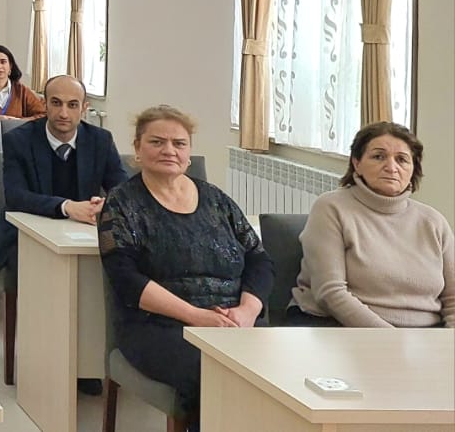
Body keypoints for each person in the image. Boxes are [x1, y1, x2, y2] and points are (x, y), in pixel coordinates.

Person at [99, 105, 271, 419]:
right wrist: (197, 316)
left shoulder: (216, 199)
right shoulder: (121, 202)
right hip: (159, 327)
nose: (169, 150)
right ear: (137, 148)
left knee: (280, 370)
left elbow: (259, 260)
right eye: (157, 142)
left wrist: (246, 311)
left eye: (179, 143)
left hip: (234, 322)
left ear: (189, 152)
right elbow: (125, 280)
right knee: (217, 373)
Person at [289, 121, 455, 328]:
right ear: (357, 163)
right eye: (378, 157)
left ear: (413, 169)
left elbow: (452, 300)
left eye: (402, 159)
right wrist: (393, 340)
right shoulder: (331, 207)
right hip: (342, 327)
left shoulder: (433, 221)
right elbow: (331, 292)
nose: (391, 167)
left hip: (425, 336)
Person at [0, 75, 127, 277]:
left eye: (72, 105)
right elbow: (15, 196)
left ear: (84, 108)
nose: (63, 113)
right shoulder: (18, 140)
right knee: (39, 270)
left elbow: (122, 189)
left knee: (120, 262)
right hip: (27, 232)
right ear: (44, 104)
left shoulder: (100, 140)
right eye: (56, 103)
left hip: (82, 232)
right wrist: (67, 207)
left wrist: (104, 205)